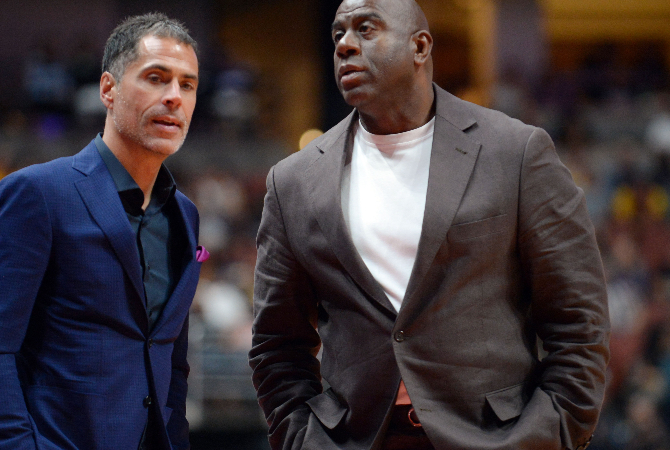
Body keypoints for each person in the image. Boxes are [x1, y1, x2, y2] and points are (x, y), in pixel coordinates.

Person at [249, 0, 610, 449]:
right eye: (338, 34)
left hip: (493, 438)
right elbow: (276, 345)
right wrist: (303, 441)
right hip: (355, 440)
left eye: (365, 28)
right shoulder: (293, 181)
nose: (345, 45)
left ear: (419, 46)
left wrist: (549, 436)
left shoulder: (515, 153)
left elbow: (579, 322)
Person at [0, 13, 205, 450]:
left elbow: (171, 362)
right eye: (156, 78)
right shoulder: (37, 194)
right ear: (108, 89)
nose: (173, 97)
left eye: (187, 84)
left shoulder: (185, 215)